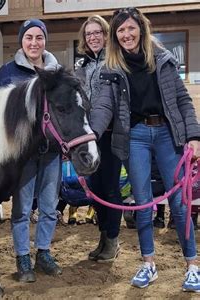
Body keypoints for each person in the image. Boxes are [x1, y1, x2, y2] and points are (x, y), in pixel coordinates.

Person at [90, 7, 200, 291]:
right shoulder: (111, 68)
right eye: (120, 30)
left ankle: (192, 265)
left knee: (179, 202)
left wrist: (194, 136)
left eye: (130, 28)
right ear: (115, 36)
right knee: (142, 202)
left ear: (141, 28)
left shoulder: (163, 60)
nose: (126, 34)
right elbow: (103, 105)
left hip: (167, 134)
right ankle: (148, 262)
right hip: (135, 137)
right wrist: (92, 133)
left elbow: (183, 100)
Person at [0, 19, 62, 283]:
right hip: (22, 156)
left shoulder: (56, 73)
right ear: (22, 41)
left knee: (49, 206)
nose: (34, 43)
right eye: (29, 38)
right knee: (21, 209)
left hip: (52, 152)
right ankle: (23, 256)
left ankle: (43, 252)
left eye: (39, 38)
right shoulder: (7, 72)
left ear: (45, 41)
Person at [75, 15, 123, 262]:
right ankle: (103, 235)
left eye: (97, 33)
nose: (93, 37)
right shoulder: (81, 66)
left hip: (111, 134)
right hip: (89, 136)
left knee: (111, 188)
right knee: (94, 188)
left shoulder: (115, 61)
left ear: (105, 35)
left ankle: (113, 239)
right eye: (88, 34)